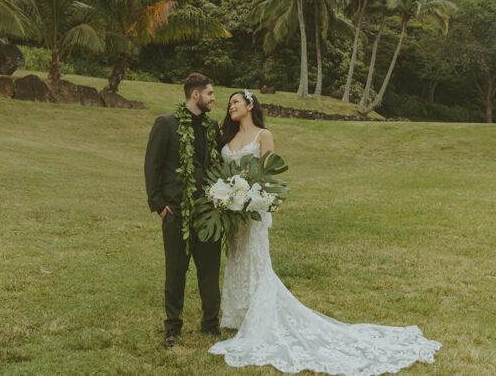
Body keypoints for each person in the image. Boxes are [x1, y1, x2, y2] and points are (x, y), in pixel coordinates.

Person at [209, 90, 441, 374]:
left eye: (235, 102)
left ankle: (260, 320)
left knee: (256, 262)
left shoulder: (263, 135)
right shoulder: (227, 139)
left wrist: (250, 197)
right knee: (236, 260)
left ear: (250, 105)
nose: (230, 106)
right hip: (233, 215)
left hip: (252, 210)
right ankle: (240, 315)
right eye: (229, 103)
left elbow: (268, 176)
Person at [144, 72, 222, 348]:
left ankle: (211, 325)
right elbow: (152, 166)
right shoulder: (166, 124)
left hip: (209, 214)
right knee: (175, 272)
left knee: (210, 271)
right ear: (195, 94)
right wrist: (159, 206)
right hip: (176, 213)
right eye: (210, 93)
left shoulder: (212, 126)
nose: (214, 98)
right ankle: (173, 328)